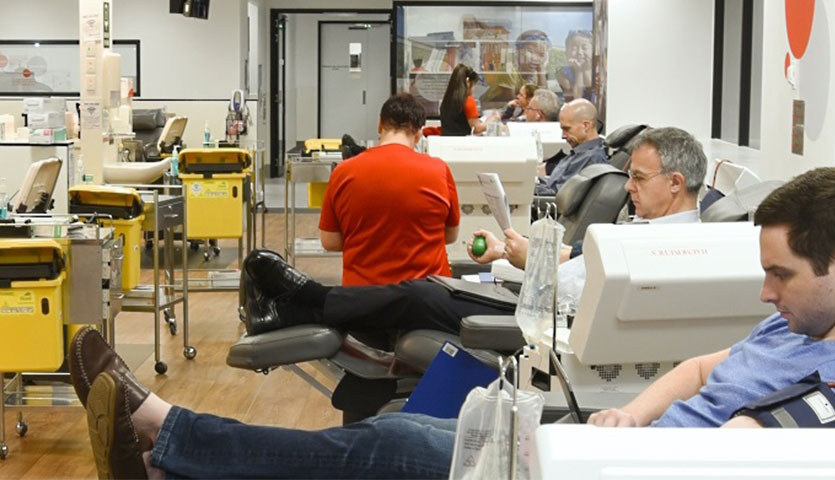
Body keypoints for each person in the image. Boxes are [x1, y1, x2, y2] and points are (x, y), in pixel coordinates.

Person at [71, 167, 835, 479]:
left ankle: (165, 431)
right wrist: (631, 415)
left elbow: (729, 460)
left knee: (395, 440)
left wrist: (620, 448)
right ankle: (168, 456)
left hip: (610, 472)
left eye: (779, 275)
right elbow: (704, 370)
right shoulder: (796, 325)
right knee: (418, 422)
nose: (763, 293)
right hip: (610, 449)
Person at [243, 127, 706, 338]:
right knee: (430, 289)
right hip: (538, 298)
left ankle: (307, 303)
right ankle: (301, 307)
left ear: (675, 183)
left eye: (639, 178)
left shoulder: (670, 244)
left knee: (421, 296)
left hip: (545, 321)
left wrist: (524, 265)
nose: (628, 187)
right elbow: (578, 263)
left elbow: (578, 290)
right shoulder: (644, 228)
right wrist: (515, 256)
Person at [318, 93, 460, 286]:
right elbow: (450, 235)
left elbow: (330, 241)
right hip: (427, 299)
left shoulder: (343, 171)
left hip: (363, 298)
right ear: (419, 133)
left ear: (379, 125)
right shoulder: (439, 170)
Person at [534, 98, 607, 196]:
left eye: (567, 129)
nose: (563, 136)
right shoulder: (579, 155)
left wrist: (530, 188)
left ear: (586, 126)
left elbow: (560, 194)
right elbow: (554, 184)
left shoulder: (591, 158)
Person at [440, 64, 487, 136]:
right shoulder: (468, 100)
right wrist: (492, 122)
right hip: (462, 143)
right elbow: (477, 128)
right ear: (468, 82)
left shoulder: (447, 100)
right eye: (474, 84)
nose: (474, 88)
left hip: (446, 141)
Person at [556, 30, 594, 102]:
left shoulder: (597, 70)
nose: (579, 52)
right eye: (574, 48)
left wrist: (585, 69)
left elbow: (592, 89)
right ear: (567, 52)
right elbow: (576, 99)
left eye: (584, 48)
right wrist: (578, 71)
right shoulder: (563, 73)